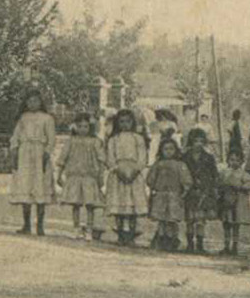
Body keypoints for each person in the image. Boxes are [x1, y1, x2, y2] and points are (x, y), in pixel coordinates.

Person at [8, 91, 60, 235]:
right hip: (25, 154)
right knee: (26, 186)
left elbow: (51, 139)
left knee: (40, 186)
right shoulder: (23, 118)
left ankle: (40, 225)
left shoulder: (47, 118)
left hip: (39, 154)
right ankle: (26, 224)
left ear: (41, 102)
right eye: (30, 101)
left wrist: (47, 153)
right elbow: (15, 137)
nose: (33, 104)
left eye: (36, 101)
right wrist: (14, 152)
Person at [103, 108, 152, 246]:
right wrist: (117, 170)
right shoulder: (113, 139)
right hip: (118, 173)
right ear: (117, 123)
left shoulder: (138, 138)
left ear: (133, 123)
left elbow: (143, 157)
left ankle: (131, 232)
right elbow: (110, 157)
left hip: (133, 173)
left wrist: (136, 171)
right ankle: (120, 233)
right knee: (119, 204)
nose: (125, 125)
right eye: (122, 122)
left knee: (132, 204)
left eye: (128, 122)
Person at [58, 111, 105, 240]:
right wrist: (59, 174)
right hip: (75, 175)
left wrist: (100, 175)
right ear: (75, 127)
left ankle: (89, 228)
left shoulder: (95, 141)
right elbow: (63, 158)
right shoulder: (71, 141)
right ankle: (76, 228)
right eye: (80, 126)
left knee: (90, 204)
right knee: (76, 204)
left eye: (86, 126)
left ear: (90, 128)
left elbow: (101, 159)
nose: (83, 129)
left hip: (90, 176)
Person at [146, 138, 193, 252]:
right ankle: (161, 238)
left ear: (176, 150)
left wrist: (185, 191)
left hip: (174, 195)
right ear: (161, 151)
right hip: (161, 195)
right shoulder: (158, 164)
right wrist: (153, 188)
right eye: (165, 149)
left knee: (172, 219)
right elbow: (150, 179)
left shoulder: (180, 164)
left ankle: (172, 239)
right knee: (161, 219)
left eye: (171, 149)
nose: (168, 151)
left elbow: (186, 179)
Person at [182, 127, 222, 255]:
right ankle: (189, 244)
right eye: (195, 141)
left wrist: (213, 188)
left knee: (201, 220)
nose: (198, 144)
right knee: (189, 219)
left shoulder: (208, 158)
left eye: (200, 141)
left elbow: (214, 174)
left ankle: (199, 244)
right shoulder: (184, 157)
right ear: (191, 142)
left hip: (204, 191)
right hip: (189, 191)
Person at [217, 149, 250, 256]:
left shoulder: (243, 174)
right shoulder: (224, 173)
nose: (234, 162)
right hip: (226, 202)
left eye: (237, 160)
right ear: (228, 160)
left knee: (235, 225)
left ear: (241, 162)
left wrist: (240, 187)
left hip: (237, 204)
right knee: (226, 224)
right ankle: (226, 246)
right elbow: (218, 183)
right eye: (231, 160)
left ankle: (234, 246)